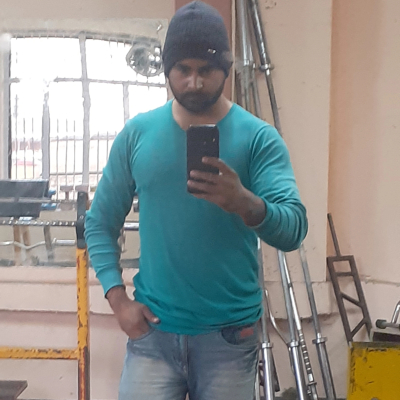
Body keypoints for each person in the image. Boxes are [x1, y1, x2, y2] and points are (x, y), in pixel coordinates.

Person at [85, 1, 308, 399]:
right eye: (183, 69)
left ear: (226, 68)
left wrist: (245, 203)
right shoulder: (137, 135)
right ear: (167, 69)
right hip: (153, 334)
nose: (194, 81)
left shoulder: (258, 138)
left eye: (206, 70)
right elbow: (100, 222)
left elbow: (294, 229)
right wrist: (117, 300)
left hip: (229, 338)